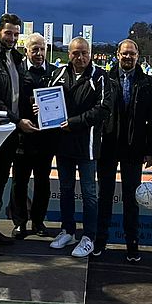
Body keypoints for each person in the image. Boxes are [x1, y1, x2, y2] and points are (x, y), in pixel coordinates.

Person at [0, 13, 38, 255]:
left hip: (11, 130)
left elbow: (21, 93)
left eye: (15, 34)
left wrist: (33, 107)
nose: (12, 38)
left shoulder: (17, 58)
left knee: (0, 181)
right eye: (8, 33)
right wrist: (17, 120)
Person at [46, 37, 113, 258]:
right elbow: (46, 99)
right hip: (63, 144)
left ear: (90, 53)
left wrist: (74, 122)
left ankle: (89, 237)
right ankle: (68, 230)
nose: (80, 57)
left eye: (84, 53)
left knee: (89, 193)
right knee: (65, 189)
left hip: (88, 146)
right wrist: (39, 107)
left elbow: (103, 109)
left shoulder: (100, 77)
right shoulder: (58, 74)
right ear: (69, 53)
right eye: (76, 53)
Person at [95, 39, 152, 261]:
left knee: (132, 199)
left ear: (138, 55)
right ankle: (99, 241)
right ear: (117, 55)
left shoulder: (148, 82)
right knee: (104, 196)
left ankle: (132, 244)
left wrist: (151, 150)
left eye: (132, 54)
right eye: (124, 54)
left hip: (134, 147)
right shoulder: (105, 79)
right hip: (108, 145)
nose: (128, 57)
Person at [11, 33, 56, 240]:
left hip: (45, 137)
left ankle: (38, 221)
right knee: (19, 181)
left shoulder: (55, 73)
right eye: (34, 49)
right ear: (26, 50)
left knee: (42, 182)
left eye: (42, 49)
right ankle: (20, 222)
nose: (39, 53)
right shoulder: (17, 72)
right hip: (21, 135)